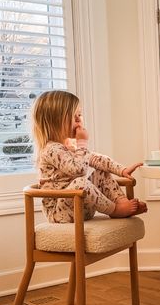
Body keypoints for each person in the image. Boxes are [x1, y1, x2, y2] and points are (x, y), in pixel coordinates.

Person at [32, 90, 147, 223]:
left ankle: (122, 203)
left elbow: (95, 159)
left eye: (79, 115)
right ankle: (115, 209)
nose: (79, 120)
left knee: (101, 173)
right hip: (60, 213)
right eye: (73, 116)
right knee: (80, 182)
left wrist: (121, 170)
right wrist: (82, 143)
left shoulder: (68, 146)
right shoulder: (51, 149)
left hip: (80, 204)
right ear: (54, 121)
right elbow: (79, 170)